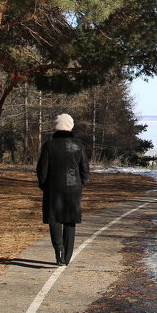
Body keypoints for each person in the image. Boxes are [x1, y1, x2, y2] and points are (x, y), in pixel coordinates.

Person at [36, 113, 89, 266]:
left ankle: (59, 253)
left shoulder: (49, 145)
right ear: (71, 126)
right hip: (74, 187)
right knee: (70, 221)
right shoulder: (78, 144)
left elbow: (42, 169)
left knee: (54, 220)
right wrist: (82, 182)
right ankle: (67, 257)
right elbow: (84, 167)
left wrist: (44, 185)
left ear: (56, 126)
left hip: (53, 187)